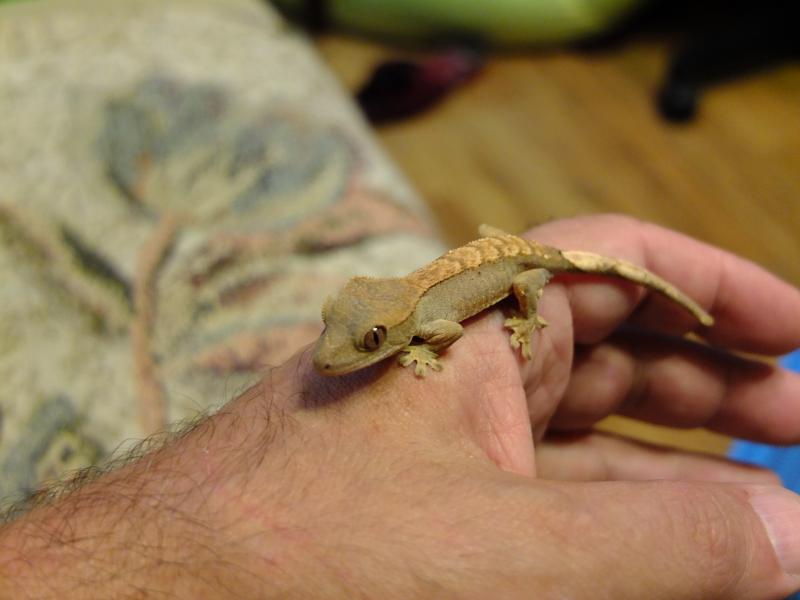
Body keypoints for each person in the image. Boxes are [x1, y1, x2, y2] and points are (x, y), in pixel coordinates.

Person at [1, 214, 799, 599]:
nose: (330, 359)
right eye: (346, 331)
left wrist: (517, 318)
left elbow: (474, 309)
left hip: (522, 264)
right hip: (492, 250)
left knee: (544, 273)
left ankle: (660, 295)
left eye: (373, 341)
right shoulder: (389, 310)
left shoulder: (433, 323)